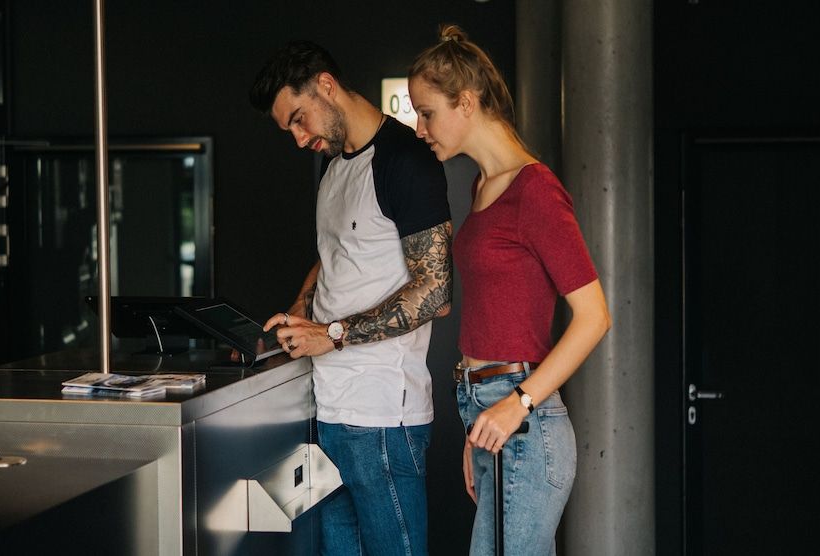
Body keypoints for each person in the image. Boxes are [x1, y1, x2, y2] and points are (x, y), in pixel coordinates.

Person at [408, 25, 612, 556]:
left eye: (427, 111)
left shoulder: (536, 191)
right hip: (488, 414)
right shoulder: (482, 185)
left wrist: (516, 404)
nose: (419, 126)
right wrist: (479, 425)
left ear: (467, 103)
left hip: (523, 419)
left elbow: (594, 317)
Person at [249, 41, 453, 556]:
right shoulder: (335, 168)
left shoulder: (406, 159)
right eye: (289, 130)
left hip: (384, 418)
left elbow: (435, 289)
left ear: (325, 85)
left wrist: (332, 334)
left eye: (299, 119)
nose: (299, 139)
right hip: (328, 410)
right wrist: (300, 309)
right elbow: (336, 253)